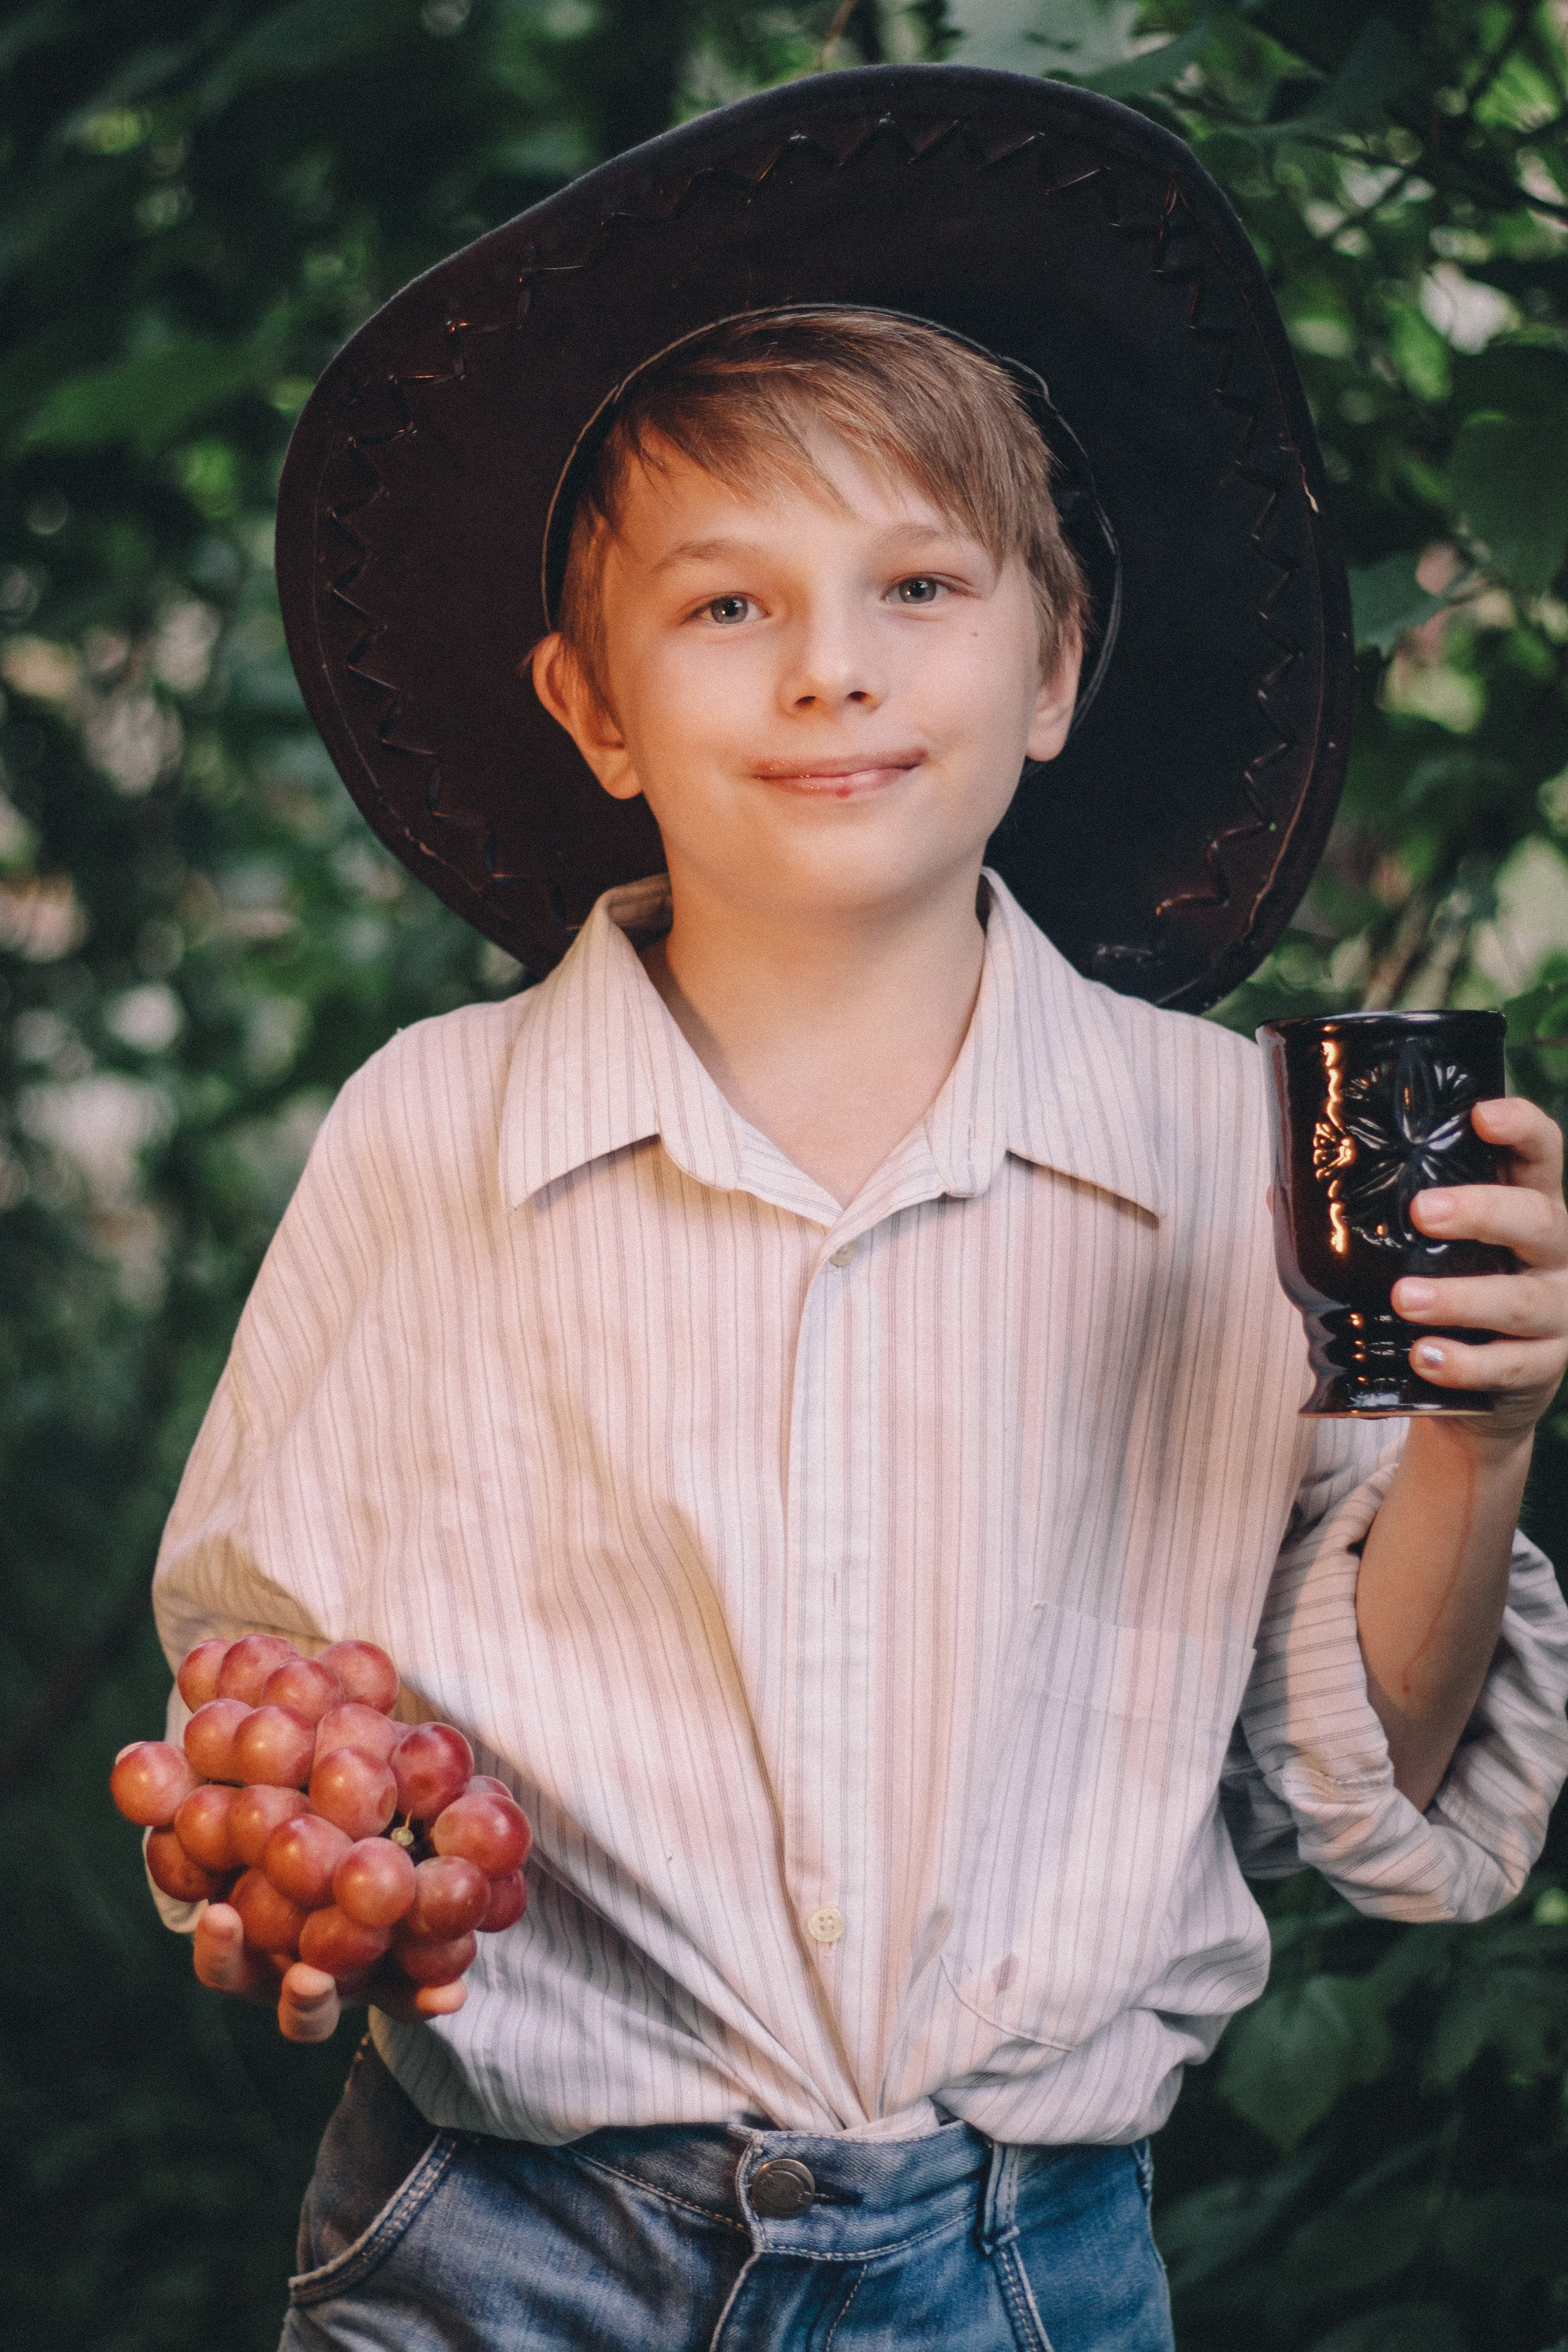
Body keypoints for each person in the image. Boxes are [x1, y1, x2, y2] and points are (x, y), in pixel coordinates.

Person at [149, 68, 1568, 2352]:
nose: (834, 666)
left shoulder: (1235, 1160)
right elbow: (271, 1690)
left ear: (1056, 665)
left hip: (1021, 2268)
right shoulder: (435, 1134)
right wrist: (301, 1859)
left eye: (919, 583)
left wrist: (1481, 1443)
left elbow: (1362, 1799)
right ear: (592, 705)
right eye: (729, 604)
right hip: (503, 2253)